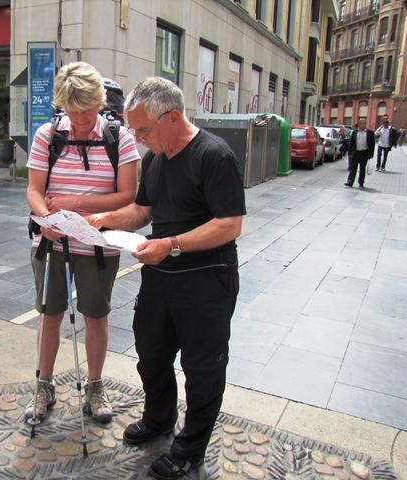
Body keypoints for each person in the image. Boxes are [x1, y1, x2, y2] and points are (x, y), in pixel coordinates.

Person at [87, 77, 245, 479]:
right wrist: (104, 219)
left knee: (202, 367)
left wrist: (171, 243)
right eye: (134, 130)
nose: (137, 139)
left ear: (173, 117)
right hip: (160, 276)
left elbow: (229, 225)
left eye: (143, 130)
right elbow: (142, 211)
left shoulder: (214, 155)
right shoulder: (156, 158)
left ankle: (190, 446)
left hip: (207, 279)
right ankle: (159, 418)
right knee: (152, 354)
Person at [25, 61, 140, 424]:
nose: (78, 120)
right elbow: (33, 190)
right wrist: (45, 219)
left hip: (98, 245)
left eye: (86, 112)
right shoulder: (47, 134)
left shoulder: (118, 137)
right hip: (52, 242)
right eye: (71, 112)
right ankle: (43, 385)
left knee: (95, 315)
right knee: (50, 315)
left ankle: (94, 385)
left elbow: (127, 196)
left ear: (100, 103)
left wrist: (74, 203)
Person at [345, 117, 375, 188]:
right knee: (353, 168)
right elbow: (351, 143)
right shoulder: (354, 132)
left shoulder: (370, 133)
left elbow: (372, 144)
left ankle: (361, 183)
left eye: (364, 123)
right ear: (358, 124)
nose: (363, 125)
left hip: (364, 153)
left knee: (362, 169)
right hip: (355, 153)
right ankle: (350, 182)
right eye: (361, 123)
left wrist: (371, 155)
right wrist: (350, 153)